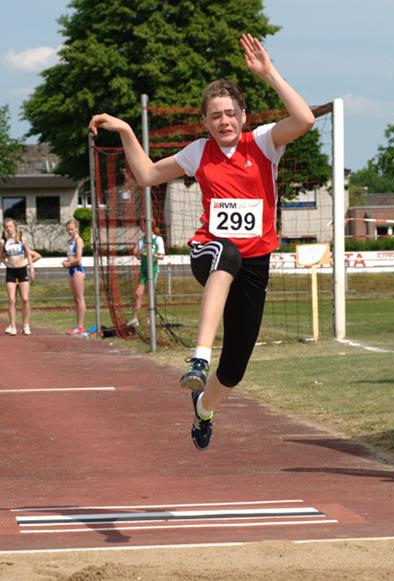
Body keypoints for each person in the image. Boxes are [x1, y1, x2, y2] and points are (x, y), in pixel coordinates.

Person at [89, 33, 315, 450]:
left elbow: (304, 120)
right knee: (224, 252)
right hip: (208, 253)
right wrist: (124, 130)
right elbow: (148, 175)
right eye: (215, 116)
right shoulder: (198, 152)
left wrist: (270, 73)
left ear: (243, 116)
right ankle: (198, 357)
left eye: (230, 114)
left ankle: (204, 408)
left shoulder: (263, 143)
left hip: (256, 263)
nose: (224, 121)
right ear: (206, 122)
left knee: (234, 371)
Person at [128, 218, 165, 328]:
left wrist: (153, 255)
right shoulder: (141, 240)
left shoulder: (157, 239)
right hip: (143, 270)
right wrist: (138, 253)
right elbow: (137, 254)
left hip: (152, 270)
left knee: (151, 294)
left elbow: (162, 256)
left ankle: (151, 318)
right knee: (138, 293)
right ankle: (135, 319)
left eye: (143, 225)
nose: (141, 227)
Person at [1, 217, 35, 336]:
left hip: (22, 270)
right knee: (12, 300)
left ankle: (25, 325)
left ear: (14, 226)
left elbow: (29, 255)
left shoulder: (22, 239)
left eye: (10, 226)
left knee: (25, 299)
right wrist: (7, 263)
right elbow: (1, 257)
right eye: (6, 227)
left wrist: (31, 269)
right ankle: (13, 325)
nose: (9, 229)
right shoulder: (3, 241)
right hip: (10, 271)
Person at [62, 218, 86, 335]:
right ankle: (78, 325)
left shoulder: (78, 241)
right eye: (68, 230)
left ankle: (80, 326)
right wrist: (66, 262)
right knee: (75, 299)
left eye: (71, 229)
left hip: (77, 270)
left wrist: (69, 263)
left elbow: (78, 259)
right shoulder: (70, 241)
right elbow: (71, 256)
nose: (70, 232)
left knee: (80, 297)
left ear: (76, 228)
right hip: (71, 270)